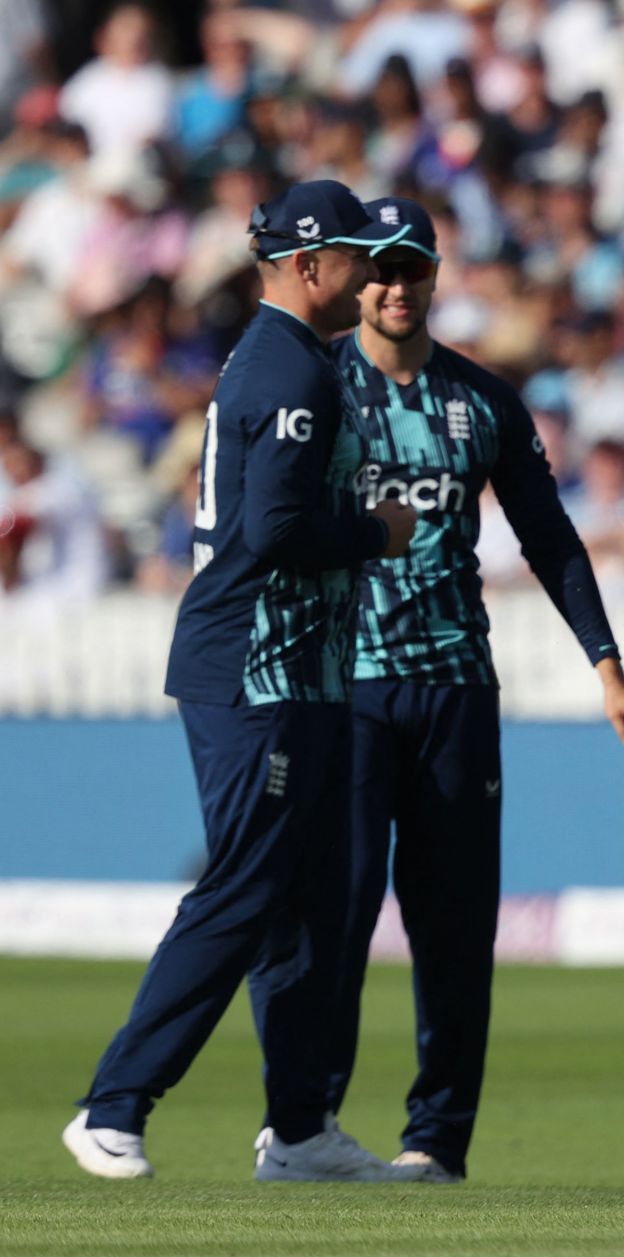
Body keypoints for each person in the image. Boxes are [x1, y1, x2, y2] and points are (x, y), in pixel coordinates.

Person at [288, 196, 624, 1185]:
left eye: (414, 270)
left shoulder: (483, 399)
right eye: (381, 271)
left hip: (454, 689)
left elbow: (550, 538)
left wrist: (607, 664)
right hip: (347, 686)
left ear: (437, 275)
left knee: (454, 926)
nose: (396, 288)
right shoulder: (316, 388)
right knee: (340, 912)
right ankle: (305, 1121)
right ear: (358, 279)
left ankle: (436, 1140)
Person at [63, 180, 417, 1182]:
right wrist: (377, 532)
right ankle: (113, 1105)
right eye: (354, 255)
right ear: (309, 266)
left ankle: (300, 1126)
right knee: (248, 883)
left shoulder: (288, 357)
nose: (371, 272)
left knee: (308, 893)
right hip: (255, 662)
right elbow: (276, 531)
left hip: (287, 663)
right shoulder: (289, 368)